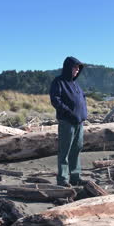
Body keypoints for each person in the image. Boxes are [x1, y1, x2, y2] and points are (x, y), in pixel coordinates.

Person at [49, 56, 88, 187]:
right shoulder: (58, 82)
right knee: (64, 151)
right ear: (68, 67)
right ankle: (63, 179)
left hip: (79, 122)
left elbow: (82, 99)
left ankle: (75, 177)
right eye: (75, 67)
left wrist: (83, 114)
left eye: (78, 68)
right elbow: (56, 100)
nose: (77, 70)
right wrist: (70, 114)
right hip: (67, 122)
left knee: (76, 149)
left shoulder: (76, 84)